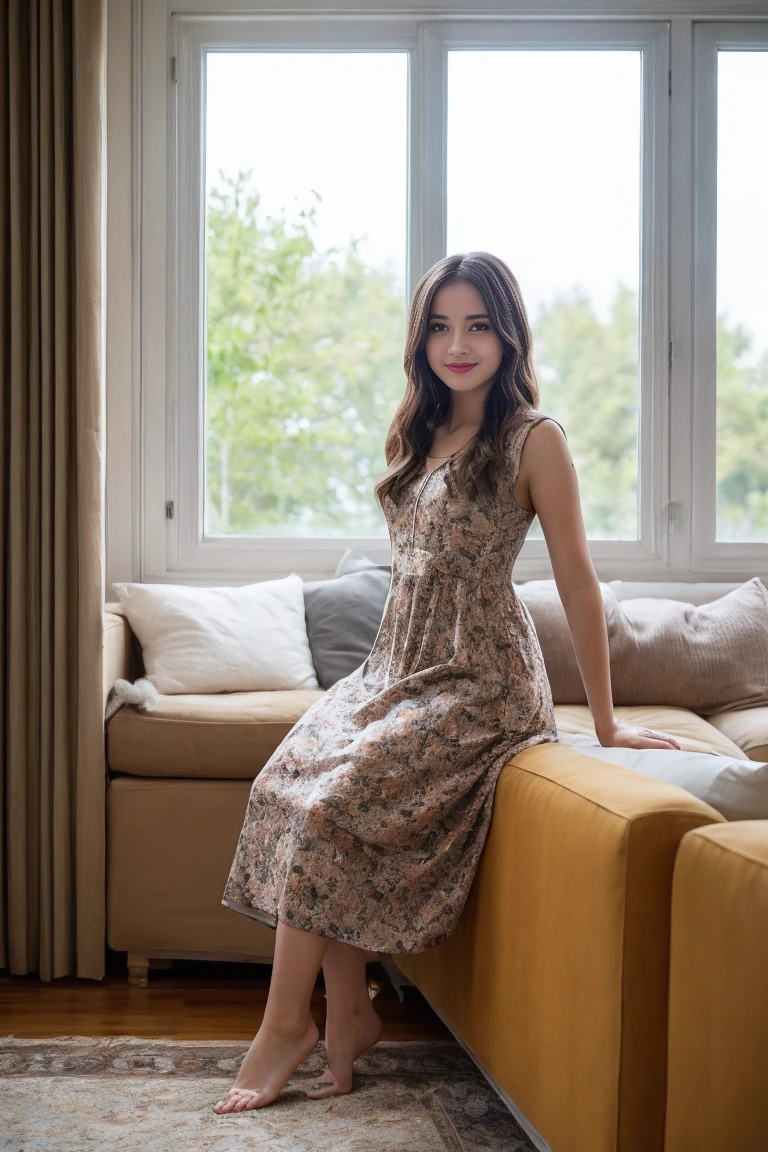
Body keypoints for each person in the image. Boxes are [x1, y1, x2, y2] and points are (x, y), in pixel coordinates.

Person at [212, 251, 681, 1115]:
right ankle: (349, 1011)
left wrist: (607, 723)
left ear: (508, 333)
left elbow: (578, 581)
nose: (457, 344)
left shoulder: (535, 440)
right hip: (396, 662)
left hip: (479, 677)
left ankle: (288, 1026)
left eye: (477, 325)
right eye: (439, 325)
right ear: (420, 336)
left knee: (331, 806)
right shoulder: (418, 431)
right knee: (288, 784)